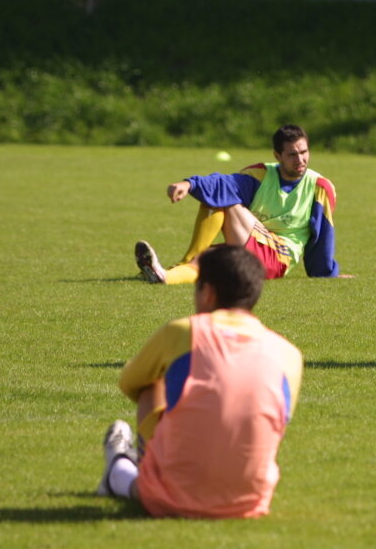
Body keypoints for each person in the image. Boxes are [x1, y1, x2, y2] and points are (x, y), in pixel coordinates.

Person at [95, 244, 303, 518]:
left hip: (171, 497)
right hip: (250, 501)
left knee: (152, 384)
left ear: (208, 293)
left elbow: (129, 382)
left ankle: (121, 472)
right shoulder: (289, 354)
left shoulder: (184, 332)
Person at [134, 124, 340, 285]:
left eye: (304, 152)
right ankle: (164, 276)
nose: (300, 160)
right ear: (278, 156)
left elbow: (323, 233)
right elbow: (224, 183)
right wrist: (190, 184)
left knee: (222, 198)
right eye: (292, 154)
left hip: (277, 259)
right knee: (205, 261)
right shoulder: (259, 175)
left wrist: (325, 273)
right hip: (249, 251)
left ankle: (185, 260)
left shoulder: (320, 187)